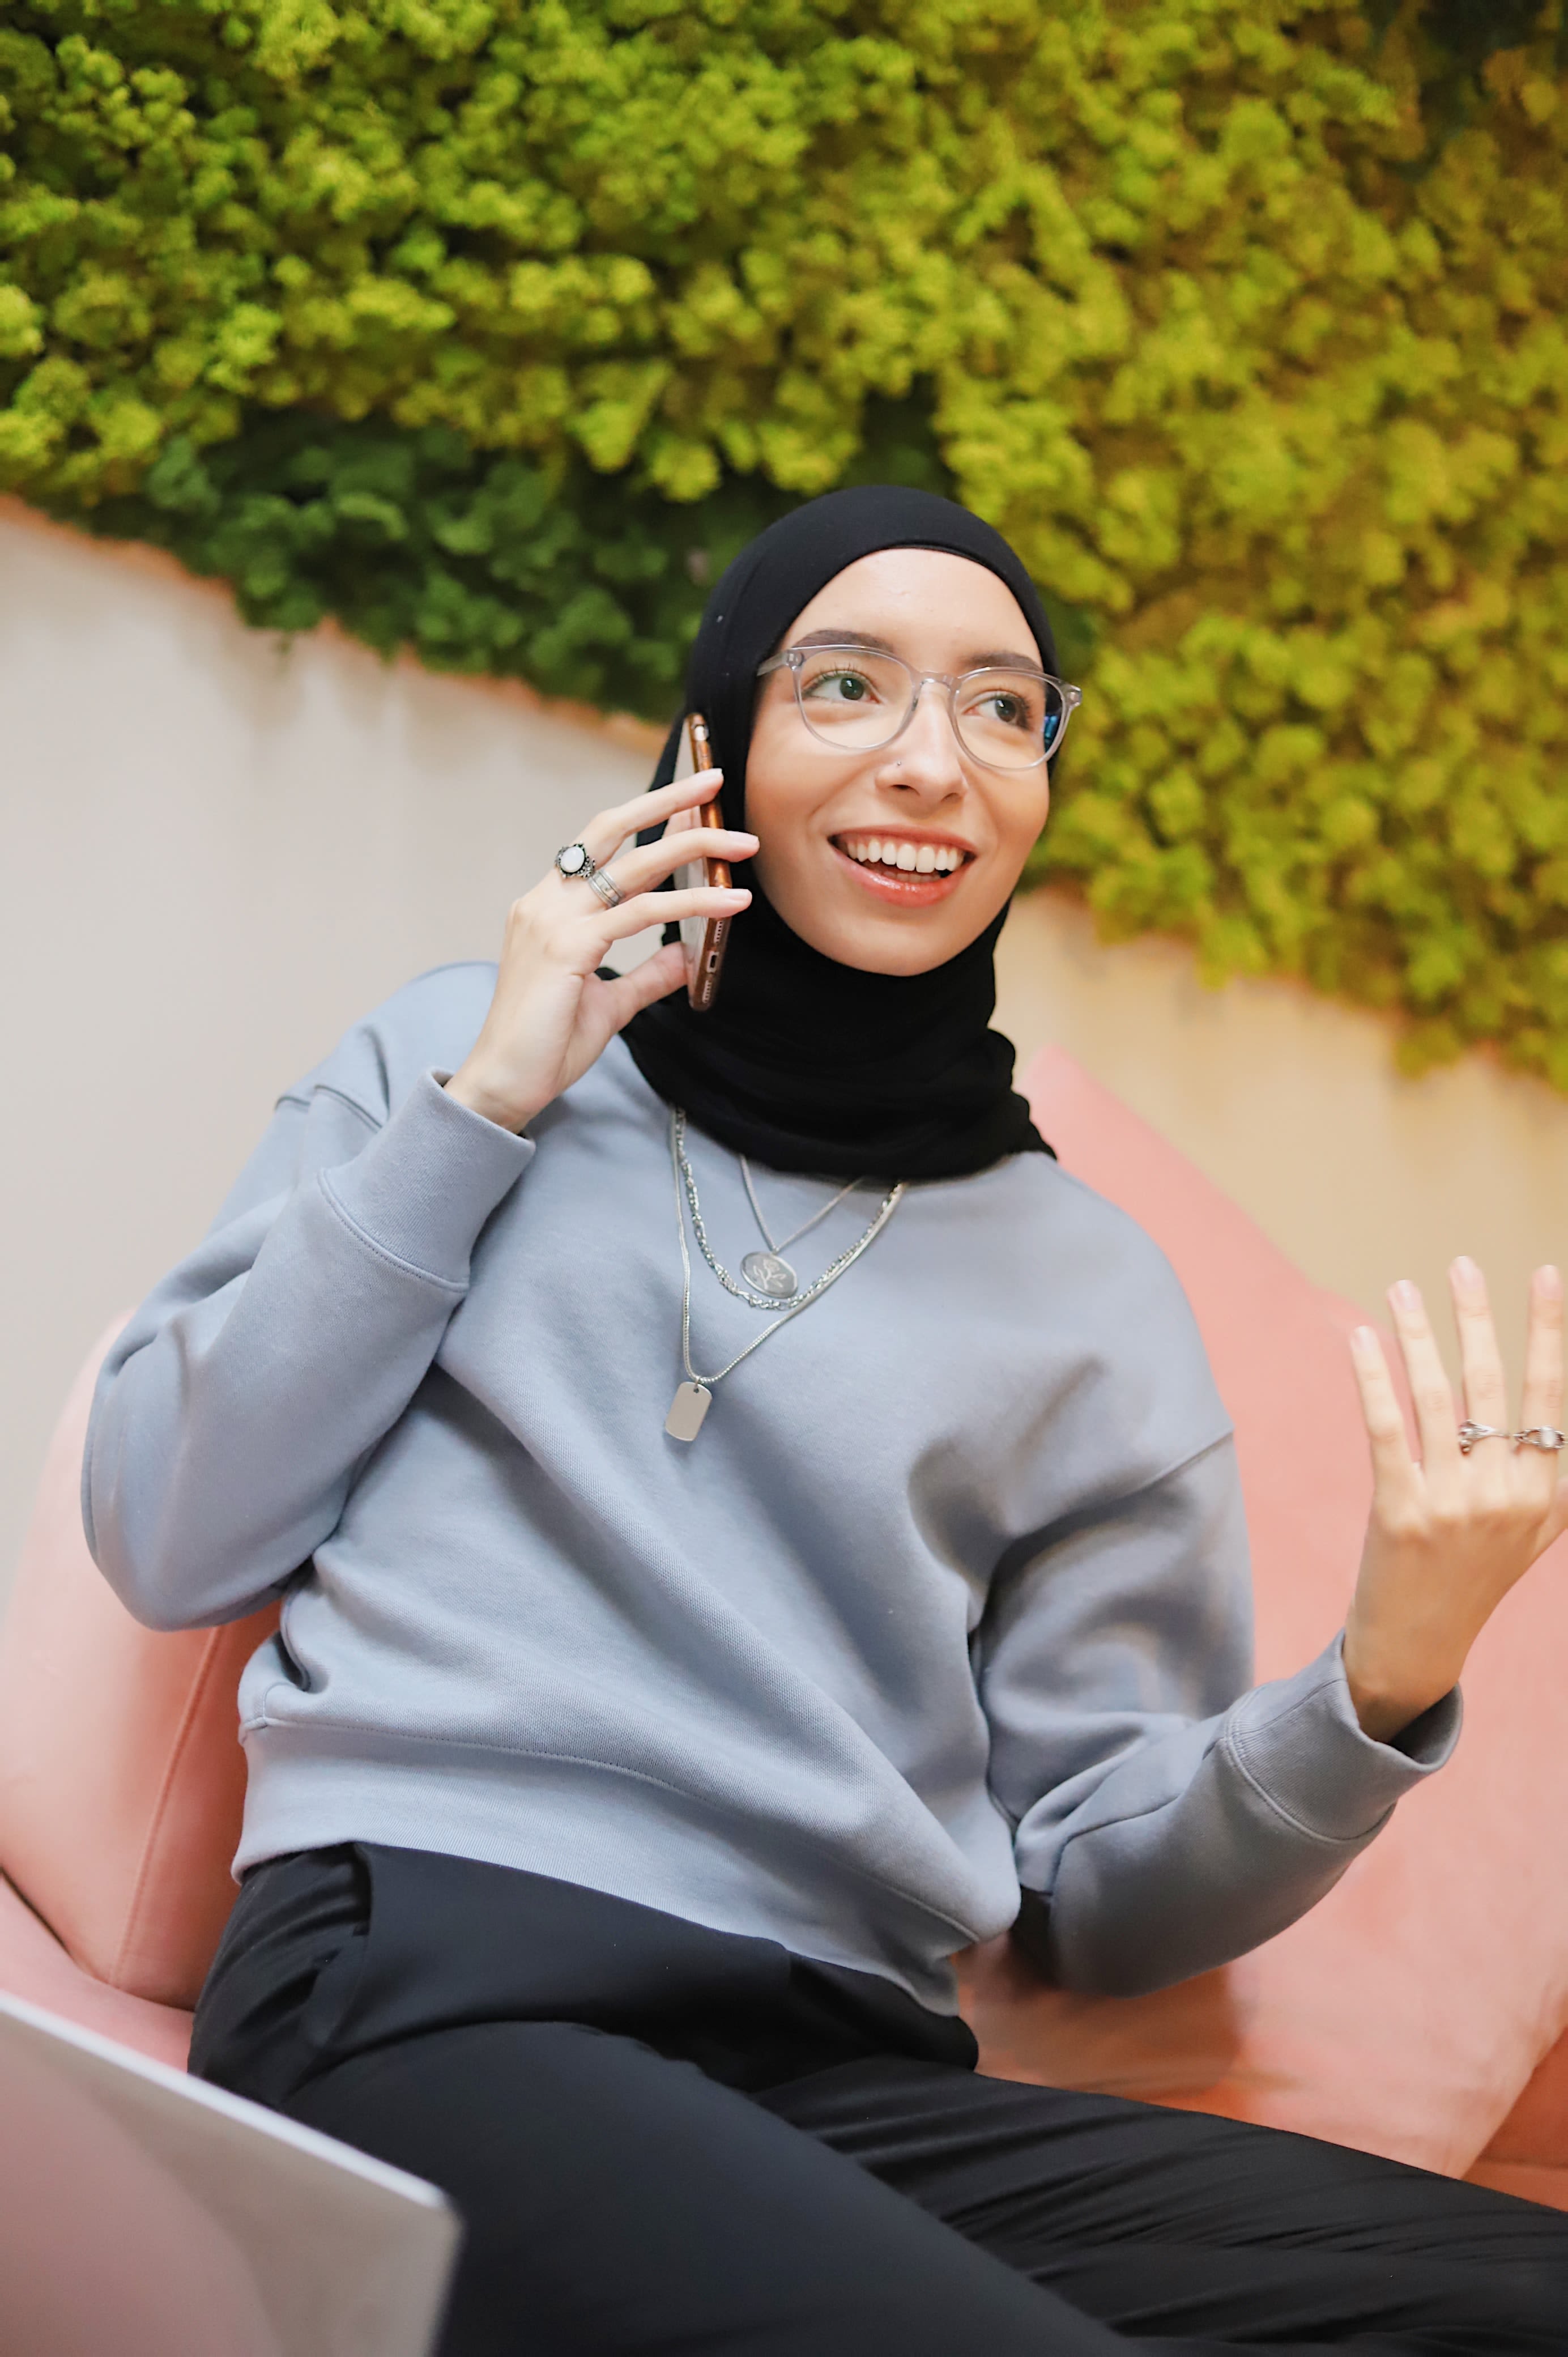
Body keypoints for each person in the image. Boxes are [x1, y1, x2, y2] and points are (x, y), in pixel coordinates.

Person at [85, 488, 1568, 2354]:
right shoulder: (465, 1051)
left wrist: (1380, 1682)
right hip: (423, 1978)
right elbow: (171, 1528)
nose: (934, 761)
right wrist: (487, 1104)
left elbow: (1099, 1905)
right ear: (719, 741)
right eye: (849, 685)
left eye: (1004, 707)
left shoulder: (1092, 1292)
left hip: (840, 2069)